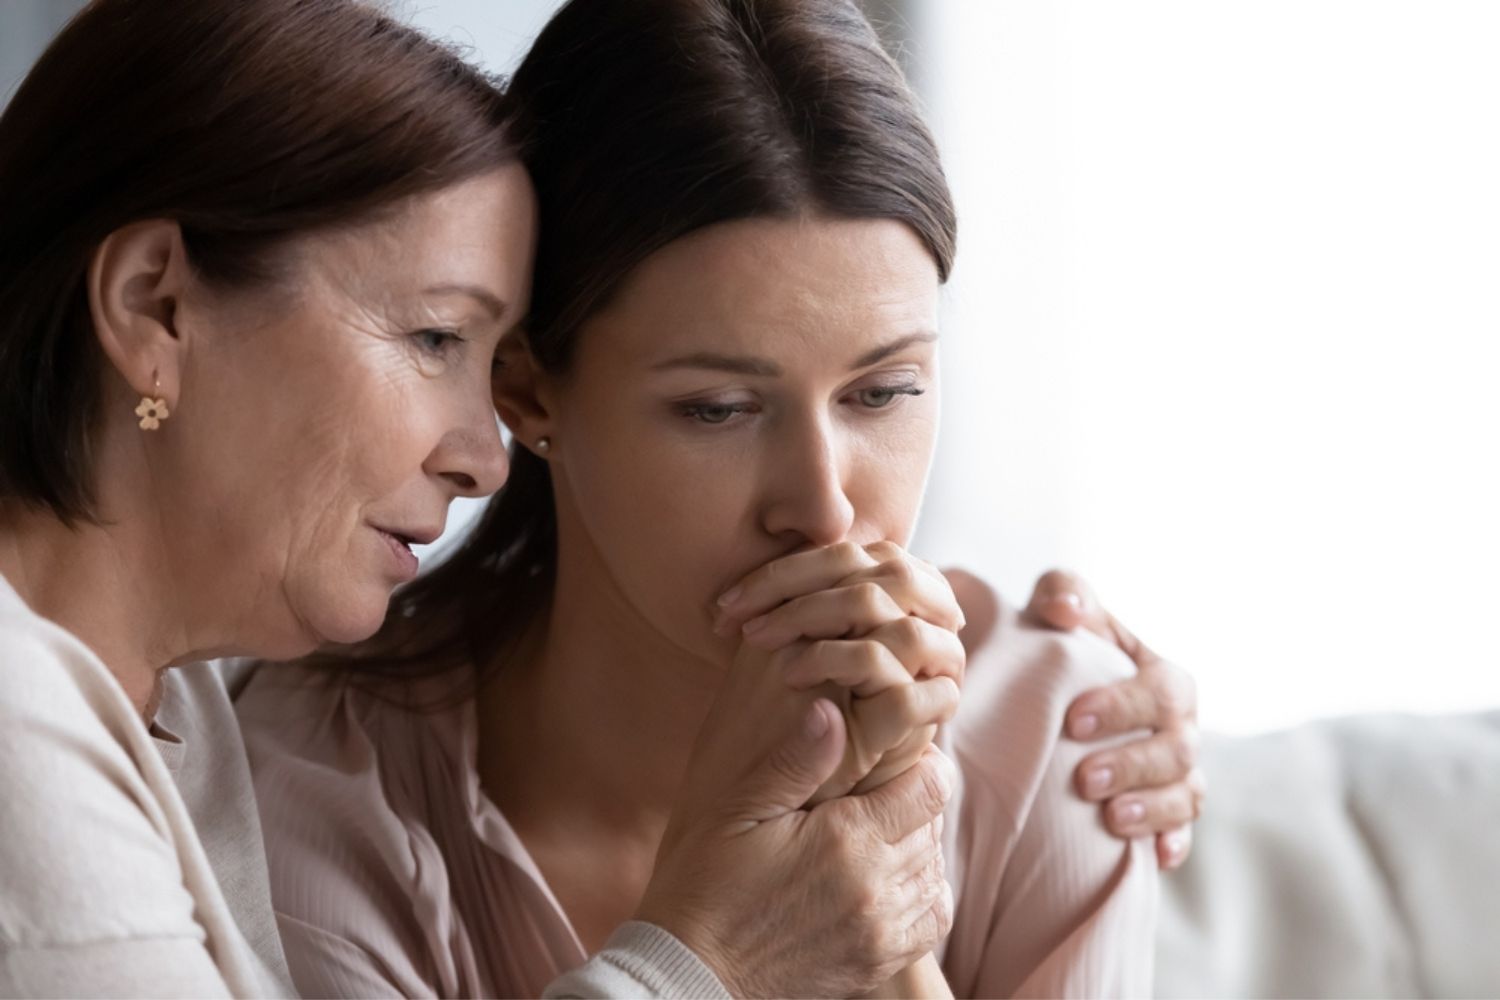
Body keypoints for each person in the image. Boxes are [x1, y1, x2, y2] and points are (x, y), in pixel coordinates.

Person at [0, 1, 964, 996]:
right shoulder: (25, 740)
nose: (486, 455)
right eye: (434, 339)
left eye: (885, 390)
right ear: (155, 303)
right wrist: (708, 959)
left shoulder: (168, 706)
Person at [236, 0, 1192, 995]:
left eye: (884, 391)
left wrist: (881, 880)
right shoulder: (316, 794)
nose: (823, 510)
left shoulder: (1062, 738)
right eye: (719, 409)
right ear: (524, 389)